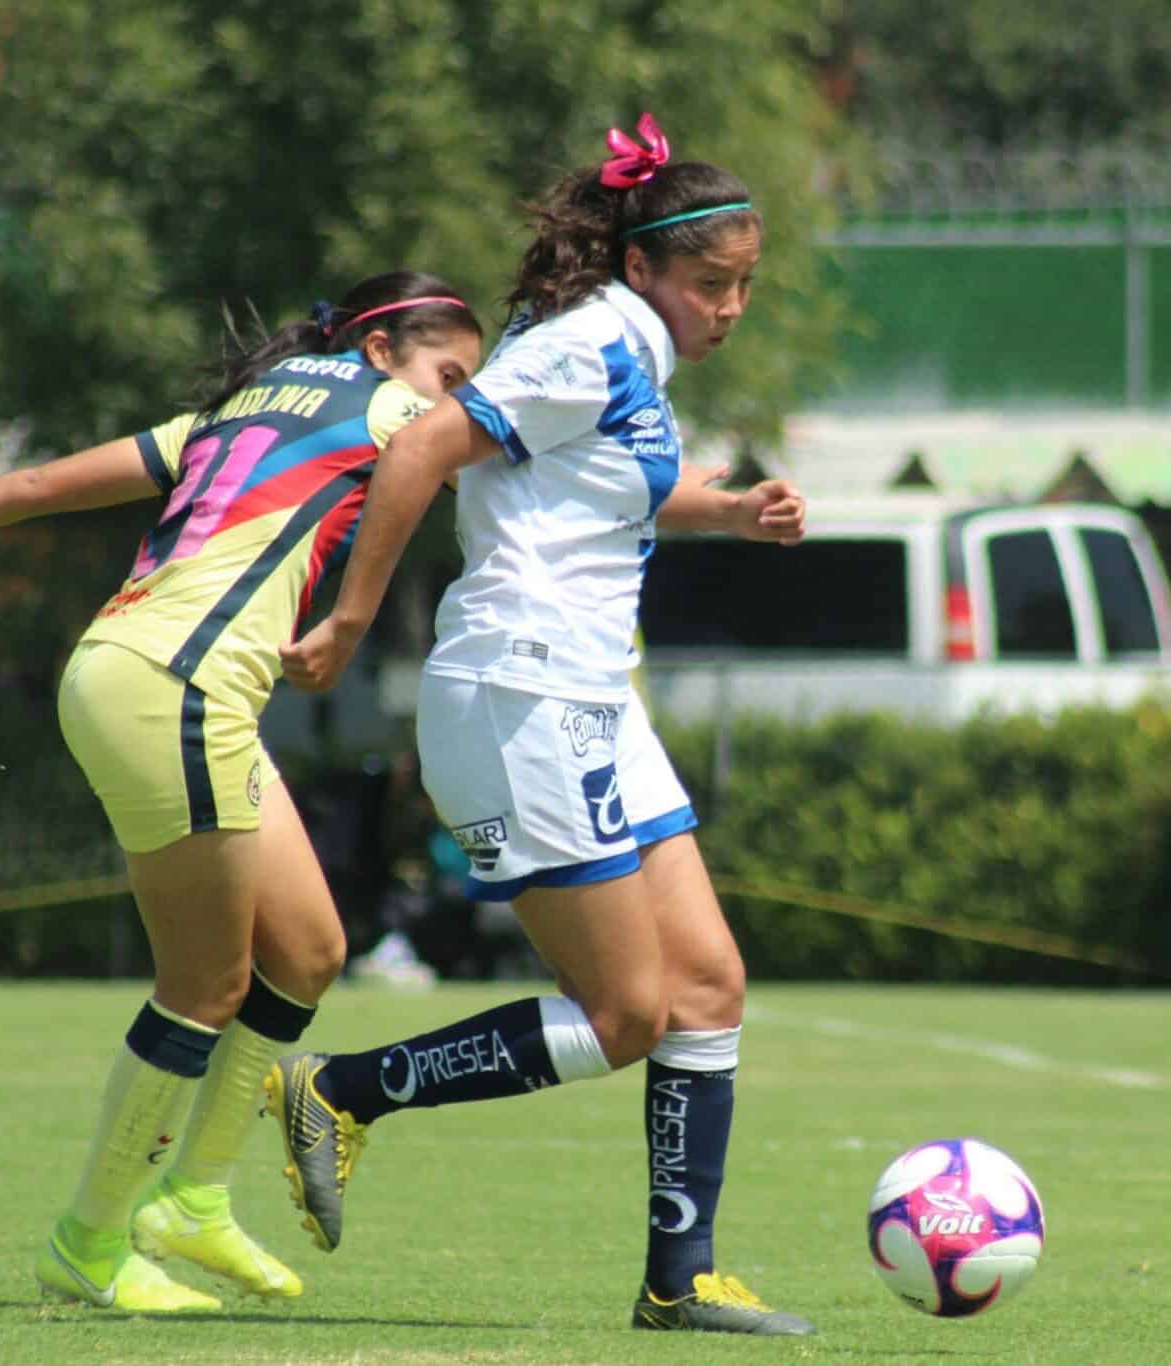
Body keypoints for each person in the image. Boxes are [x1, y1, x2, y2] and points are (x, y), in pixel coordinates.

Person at [0, 273, 486, 1313]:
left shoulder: (234, 414)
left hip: (141, 674)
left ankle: (194, 1200)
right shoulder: (391, 412)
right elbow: (515, 447)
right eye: (450, 374)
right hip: (177, 688)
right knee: (206, 985)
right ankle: (90, 1239)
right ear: (382, 354)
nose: (455, 399)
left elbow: (35, 488)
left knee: (308, 951)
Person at [272, 114, 817, 1335]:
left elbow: (594, 486)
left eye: (744, 286)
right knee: (628, 1013)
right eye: (710, 284)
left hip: (584, 696)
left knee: (709, 985)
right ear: (642, 269)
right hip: (521, 692)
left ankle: (681, 1280)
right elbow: (419, 451)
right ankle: (341, 1089)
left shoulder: (625, 354)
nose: (730, 308)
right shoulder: (591, 344)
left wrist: (729, 513)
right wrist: (355, 618)